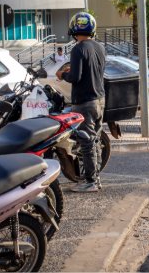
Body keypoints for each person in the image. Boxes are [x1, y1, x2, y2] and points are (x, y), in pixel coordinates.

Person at [56, 12, 106, 193]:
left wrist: (63, 74)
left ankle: (91, 181)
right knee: (95, 139)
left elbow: (75, 77)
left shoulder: (77, 49)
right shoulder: (100, 47)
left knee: (86, 142)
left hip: (85, 101)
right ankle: (96, 178)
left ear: (74, 29)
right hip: (100, 99)